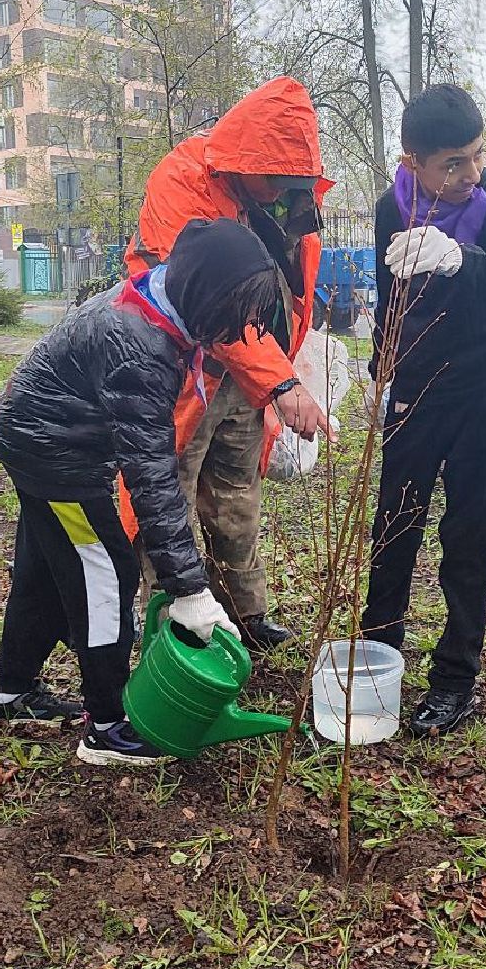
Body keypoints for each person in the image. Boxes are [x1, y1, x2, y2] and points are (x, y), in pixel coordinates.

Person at [0, 219, 285, 764]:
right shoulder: (141, 349)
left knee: (44, 571)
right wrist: (191, 591)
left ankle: (11, 694)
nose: (238, 330)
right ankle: (106, 726)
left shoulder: (157, 301)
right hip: (56, 457)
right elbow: (151, 478)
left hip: (30, 435)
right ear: (205, 295)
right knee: (105, 575)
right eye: (234, 315)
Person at [121, 77, 331, 653]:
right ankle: (178, 628)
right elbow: (210, 308)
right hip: (184, 373)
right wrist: (281, 383)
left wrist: (289, 357)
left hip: (247, 377)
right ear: (246, 157)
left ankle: (244, 614)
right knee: (172, 500)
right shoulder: (183, 182)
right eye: (275, 181)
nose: (281, 193)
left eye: (293, 183)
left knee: (238, 497)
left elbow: (293, 283)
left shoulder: (288, 194)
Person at [360, 84, 486, 737]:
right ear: (413, 163)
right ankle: (377, 660)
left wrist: (462, 257)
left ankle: (454, 678)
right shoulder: (392, 208)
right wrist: (379, 369)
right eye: (452, 164)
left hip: (478, 389)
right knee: (393, 532)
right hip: (413, 392)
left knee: (469, 535)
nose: (470, 174)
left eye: (476, 155)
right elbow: (389, 299)